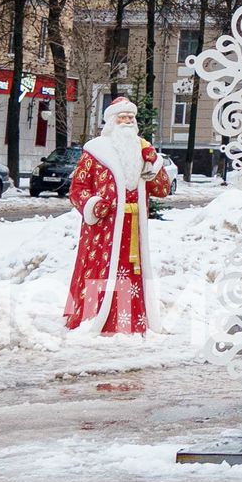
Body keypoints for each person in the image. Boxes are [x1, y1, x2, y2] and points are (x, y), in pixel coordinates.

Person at [63, 97, 177, 335]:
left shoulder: (142, 151)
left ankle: (129, 319)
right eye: (122, 118)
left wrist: (154, 163)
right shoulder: (95, 151)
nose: (127, 122)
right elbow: (77, 189)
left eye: (130, 118)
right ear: (112, 122)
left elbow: (162, 189)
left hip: (134, 227)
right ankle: (94, 317)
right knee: (103, 269)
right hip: (103, 230)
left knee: (131, 269)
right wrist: (93, 206)